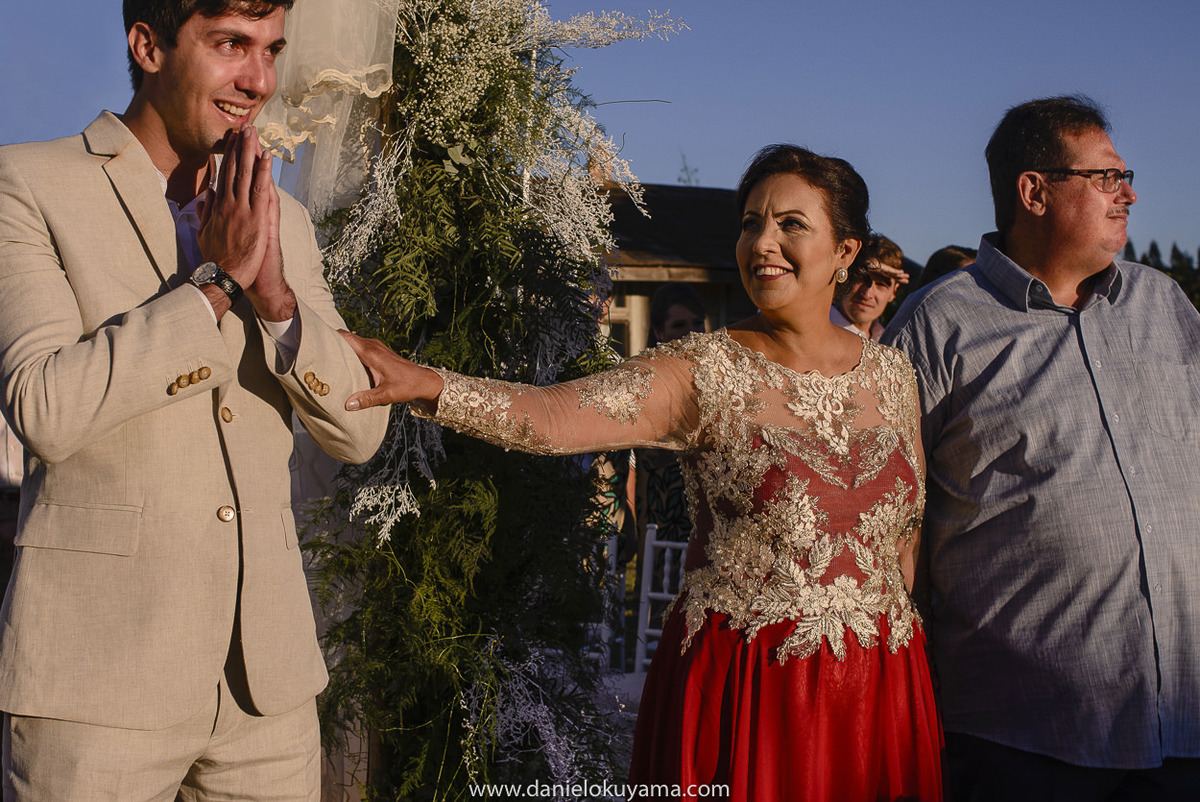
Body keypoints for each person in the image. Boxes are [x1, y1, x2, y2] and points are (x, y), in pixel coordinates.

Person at [339, 144, 943, 801]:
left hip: (881, 690)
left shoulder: (893, 374)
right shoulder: (704, 371)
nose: (762, 242)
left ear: (846, 251)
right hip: (748, 690)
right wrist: (427, 385)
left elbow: (903, 547)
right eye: (750, 223)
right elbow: (551, 418)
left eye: (791, 224)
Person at [0, 0, 389, 797]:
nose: (260, 79)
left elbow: (362, 430)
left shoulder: (286, 221)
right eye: (231, 45)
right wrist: (214, 283)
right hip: (96, 682)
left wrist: (276, 295)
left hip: (267, 689)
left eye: (272, 49)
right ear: (148, 44)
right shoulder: (27, 184)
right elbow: (43, 408)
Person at [883, 94, 1200, 800]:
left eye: (1125, 177)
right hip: (1023, 736)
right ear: (1034, 190)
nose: (1129, 194)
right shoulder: (939, 325)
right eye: (1107, 178)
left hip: (1183, 724)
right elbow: (889, 518)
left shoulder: (1166, 306)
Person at [830, 234, 909, 340]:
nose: (867, 293)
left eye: (881, 284)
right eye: (861, 278)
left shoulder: (887, 343)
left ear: (893, 293)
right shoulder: (811, 322)